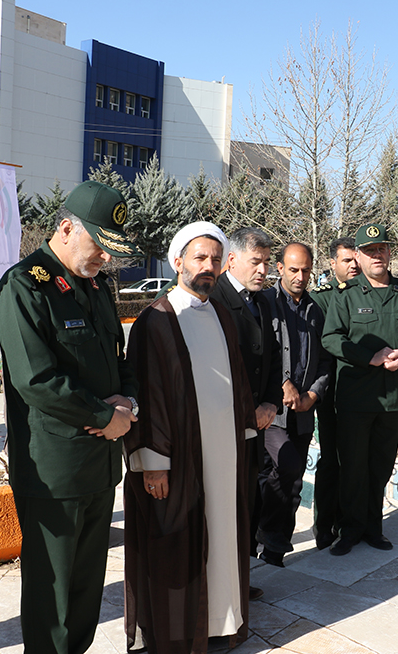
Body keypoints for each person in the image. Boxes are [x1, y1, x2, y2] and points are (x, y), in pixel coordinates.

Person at [0, 180, 139, 653]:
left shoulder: (95, 288)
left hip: (98, 465)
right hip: (54, 470)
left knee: (86, 589)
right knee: (51, 594)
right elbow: (34, 379)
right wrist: (103, 413)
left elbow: (119, 361)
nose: (105, 259)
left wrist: (127, 403)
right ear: (65, 228)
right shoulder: (24, 285)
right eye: (99, 246)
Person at [124, 222, 255, 652]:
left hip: (224, 454)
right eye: (199, 257)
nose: (209, 266)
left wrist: (243, 430)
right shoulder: (155, 321)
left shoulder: (221, 313)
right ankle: (180, 632)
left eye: (216, 259)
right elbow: (149, 394)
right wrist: (153, 463)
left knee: (222, 537)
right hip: (177, 459)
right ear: (177, 261)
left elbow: (236, 378)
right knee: (179, 542)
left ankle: (221, 622)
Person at [321, 223, 398, 556]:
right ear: (358, 255)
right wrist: (370, 357)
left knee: (381, 465)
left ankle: (373, 528)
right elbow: (331, 338)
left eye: (381, 249)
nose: (377, 255)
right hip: (355, 397)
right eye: (369, 251)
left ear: (389, 253)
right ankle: (350, 530)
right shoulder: (346, 294)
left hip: (392, 397)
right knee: (353, 467)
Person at [207, 227, 281, 599]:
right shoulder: (212, 298)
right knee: (221, 508)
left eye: (267, 262)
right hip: (223, 426)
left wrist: (269, 403)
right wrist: (245, 411)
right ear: (232, 260)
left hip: (256, 424)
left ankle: (237, 579)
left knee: (246, 504)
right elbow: (213, 368)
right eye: (256, 262)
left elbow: (272, 356)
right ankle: (217, 586)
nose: (263, 270)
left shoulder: (264, 300)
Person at [256, 242, 330, 566]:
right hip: (271, 412)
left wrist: (314, 394)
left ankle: (275, 548)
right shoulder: (264, 304)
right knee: (281, 466)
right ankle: (262, 536)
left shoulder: (316, 312)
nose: (300, 276)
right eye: (294, 269)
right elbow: (258, 356)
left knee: (294, 478)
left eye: (306, 270)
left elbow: (326, 362)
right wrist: (281, 383)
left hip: (302, 413)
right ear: (280, 268)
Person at [310, 236, 360, 549]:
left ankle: (351, 523)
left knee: (357, 462)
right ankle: (324, 525)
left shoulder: (369, 295)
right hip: (332, 394)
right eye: (346, 260)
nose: (353, 265)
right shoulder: (321, 300)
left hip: (362, 393)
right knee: (331, 461)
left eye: (356, 260)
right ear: (332, 263)